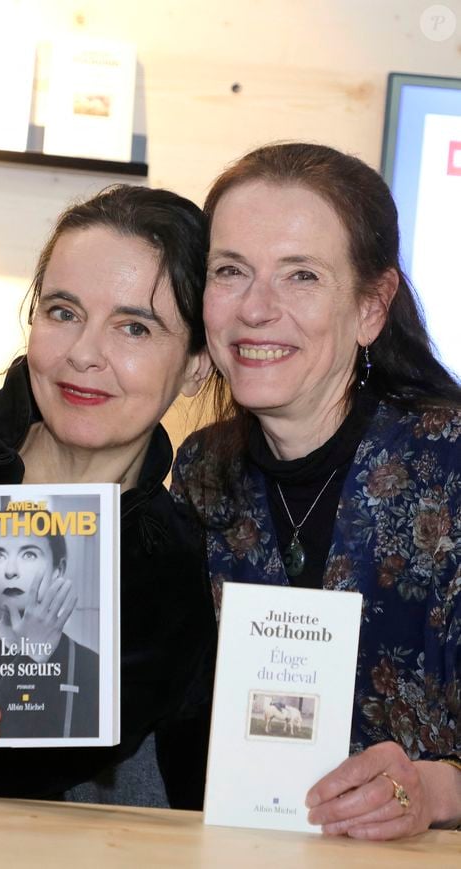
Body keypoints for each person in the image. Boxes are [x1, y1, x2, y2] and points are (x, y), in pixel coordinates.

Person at [0, 184, 216, 808]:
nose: (83, 355)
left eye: (134, 328)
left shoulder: (173, 580)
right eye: (63, 312)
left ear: (198, 362)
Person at [172, 143, 461, 837]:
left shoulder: (450, 466)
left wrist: (436, 789)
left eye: (301, 275)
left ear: (370, 307)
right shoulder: (202, 474)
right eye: (231, 271)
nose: (256, 308)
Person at [0, 516, 99, 739]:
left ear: (58, 569)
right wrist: (30, 656)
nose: (10, 570)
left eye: (29, 554)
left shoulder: (91, 666)